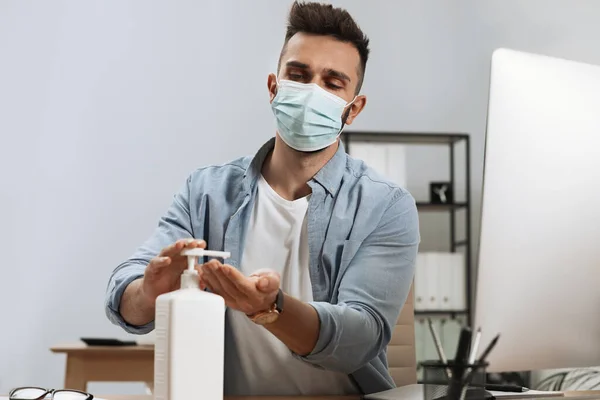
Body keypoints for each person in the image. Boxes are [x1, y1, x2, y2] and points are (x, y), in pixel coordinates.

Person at [105, 0, 420, 396]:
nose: (311, 92)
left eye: (332, 82)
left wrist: (270, 309)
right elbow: (124, 293)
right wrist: (149, 292)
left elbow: (360, 336)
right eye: (299, 75)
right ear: (274, 88)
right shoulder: (206, 193)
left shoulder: (385, 206)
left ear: (352, 109)